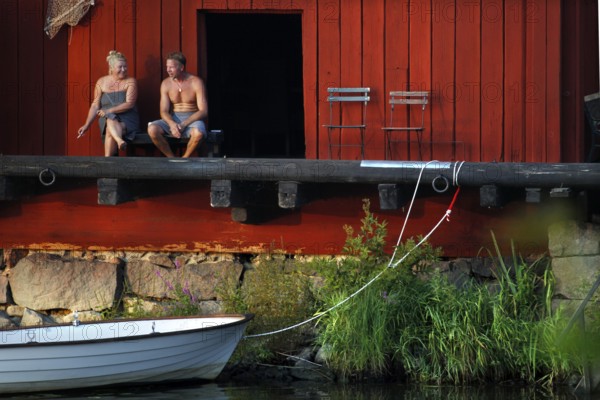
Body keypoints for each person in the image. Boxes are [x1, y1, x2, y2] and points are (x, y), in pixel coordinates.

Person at [77, 50, 140, 156]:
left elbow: (130, 103)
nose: (123, 70)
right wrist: (87, 125)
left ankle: (108, 162)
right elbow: (95, 105)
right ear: (111, 68)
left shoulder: (131, 81)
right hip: (108, 118)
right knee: (110, 120)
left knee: (110, 125)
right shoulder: (101, 82)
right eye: (120, 67)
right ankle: (119, 141)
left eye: (125, 66)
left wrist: (108, 111)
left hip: (127, 119)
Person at [147, 52, 208, 158]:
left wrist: (184, 124)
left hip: (192, 119)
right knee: (152, 129)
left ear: (181, 67)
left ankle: (184, 159)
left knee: (198, 133)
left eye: (171, 67)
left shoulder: (196, 82)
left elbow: (203, 111)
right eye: (167, 67)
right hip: (174, 118)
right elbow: (164, 111)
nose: (168, 70)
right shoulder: (166, 84)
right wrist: (171, 124)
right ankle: (171, 158)